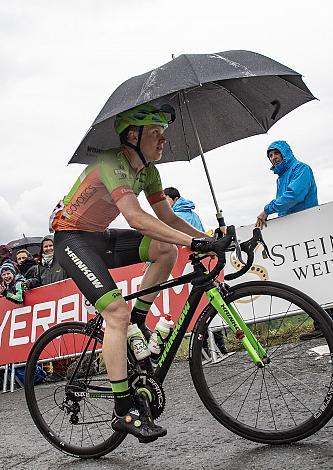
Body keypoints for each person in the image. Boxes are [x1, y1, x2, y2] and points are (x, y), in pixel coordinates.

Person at [50, 103, 218, 442]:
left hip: (101, 237)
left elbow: (167, 220)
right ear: (133, 135)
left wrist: (208, 239)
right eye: (156, 134)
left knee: (164, 250)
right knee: (116, 312)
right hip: (72, 239)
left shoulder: (150, 172)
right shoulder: (111, 162)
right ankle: (122, 409)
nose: (163, 141)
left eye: (163, 135)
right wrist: (194, 243)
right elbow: (137, 219)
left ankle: (138, 324)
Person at [255, 140, 333, 340]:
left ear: (285, 152)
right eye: (270, 156)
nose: (273, 158)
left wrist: (267, 209)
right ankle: (326, 322)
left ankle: (330, 321)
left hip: (307, 227)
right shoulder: (280, 178)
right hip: (293, 231)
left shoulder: (301, 169)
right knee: (305, 277)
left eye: (276, 153)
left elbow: (294, 195)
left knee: (314, 273)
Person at [164, 186, 228, 356]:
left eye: (165, 199)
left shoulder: (177, 215)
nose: (164, 203)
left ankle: (205, 348)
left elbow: (172, 238)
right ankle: (218, 345)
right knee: (208, 302)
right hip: (201, 260)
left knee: (196, 306)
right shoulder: (192, 212)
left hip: (189, 263)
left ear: (174, 198)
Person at [24, 235, 68, 382]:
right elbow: (39, 281)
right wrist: (32, 282)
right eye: (46, 247)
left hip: (65, 300)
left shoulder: (63, 260)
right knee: (53, 336)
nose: (48, 249)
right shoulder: (39, 267)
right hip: (48, 305)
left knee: (67, 335)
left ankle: (73, 366)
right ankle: (58, 370)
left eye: (51, 246)